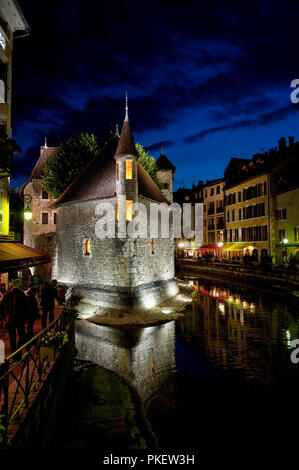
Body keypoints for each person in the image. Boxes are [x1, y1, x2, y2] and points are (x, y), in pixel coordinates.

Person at [0, 279, 28, 354]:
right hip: (20, 319)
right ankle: (18, 351)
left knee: (12, 338)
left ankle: (14, 353)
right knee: (22, 336)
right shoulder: (22, 294)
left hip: (10, 319)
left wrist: (4, 317)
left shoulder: (7, 294)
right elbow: (25, 309)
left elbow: (1, 306)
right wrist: (26, 321)